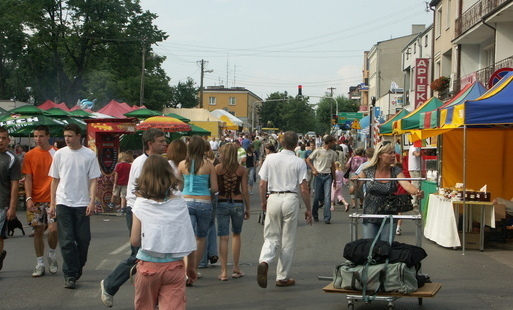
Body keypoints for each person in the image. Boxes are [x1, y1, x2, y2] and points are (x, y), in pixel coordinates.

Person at [101, 128, 167, 307]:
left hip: (150, 212)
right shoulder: (140, 162)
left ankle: (155, 298)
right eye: (160, 141)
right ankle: (109, 285)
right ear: (150, 144)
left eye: (164, 140)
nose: (164, 143)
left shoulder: (158, 161)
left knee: (154, 256)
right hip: (138, 212)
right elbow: (135, 192)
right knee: (138, 254)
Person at [130, 155, 197, 310]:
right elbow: (188, 237)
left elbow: (134, 241)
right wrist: (191, 268)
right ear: (169, 174)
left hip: (148, 266)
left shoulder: (140, 204)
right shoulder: (179, 202)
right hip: (174, 267)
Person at [49, 123, 101, 289]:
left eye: (70, 136)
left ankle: (78, 265)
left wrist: (92, 201)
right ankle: (70, 274)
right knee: (67, 240)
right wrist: (52, 203)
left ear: (79, 136)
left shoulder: (89, 155)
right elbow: (54, 179)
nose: (67, 139)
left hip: (82, 203)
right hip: (63, 201)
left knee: (83, 239)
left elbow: (93, 180)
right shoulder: (60, 154)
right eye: (65, 136)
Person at [257, 131, 312, 288]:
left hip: (273, 197)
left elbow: (262, 183)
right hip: (290, 198)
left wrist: (263, 202)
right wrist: (308, 209)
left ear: (281, 143)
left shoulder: (270, 158)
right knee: (288, 239)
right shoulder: (299, 162)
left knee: (271, 236)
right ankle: (282, 276)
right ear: (296, 145)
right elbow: (304, 188)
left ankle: (265, 261)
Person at [357, 141, 423, 242]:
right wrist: (354, 183)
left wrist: (417, 191)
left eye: (393, 152)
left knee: (385, 247)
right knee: (370, 246)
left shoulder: (395, 170)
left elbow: (406, 184)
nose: (393, 155)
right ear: (380, 155)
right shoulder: (368, 170)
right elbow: (355, 188)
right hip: (370, 213)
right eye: (390, 153)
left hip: (389, 213)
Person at [177, 135, 218, 276]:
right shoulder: (209, 165)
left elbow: (178, 185)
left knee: (187, 236)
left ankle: (186, 270)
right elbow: (214, 188)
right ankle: (194, 269)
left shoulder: (182, 164)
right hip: (204, 202)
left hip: (186, 202)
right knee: (201, 237)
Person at [22, 125, 59, 277]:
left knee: (53, 230)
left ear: (48, 136)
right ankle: (39, 263)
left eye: (41, 136)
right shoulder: (29, 155)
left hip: (53, 199)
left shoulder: (56, 154)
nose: (38, 139)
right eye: (36, 136)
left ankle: (51, 254)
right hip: (36, 200)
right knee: (38, 231)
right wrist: (29, 198)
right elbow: (28, 178)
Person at [215, 143, 250, 281]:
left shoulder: (217, 168)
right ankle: (236, 267)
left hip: (222, 202)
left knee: (223, 237)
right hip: (237, 202)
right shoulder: (241, 170)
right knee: (236, 234)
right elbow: (245, 191)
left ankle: (224, 271)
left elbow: (216, 188)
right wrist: (248, 208)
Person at [0, 127, 21, 272]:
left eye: (3, 138)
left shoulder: (12, 159)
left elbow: (15, 185)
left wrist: (12, 207)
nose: (0, 141)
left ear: (8, 140)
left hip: (2, 204)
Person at [306, 135, 338, 224]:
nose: (334, 144)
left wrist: (334, 179)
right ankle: (315, 214)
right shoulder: (318, 150)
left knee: (327, 197)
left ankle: (327, 217)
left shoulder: (332, 153)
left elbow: (333, 166)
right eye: (333, 142)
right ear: (330, 142)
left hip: (328, 176)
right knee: (316, 197)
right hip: (318, 175)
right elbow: (308, 160)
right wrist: (313, 169)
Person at [408, 142, 422, 207]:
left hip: (417, 168)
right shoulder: (413, 147)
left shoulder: (418, 147)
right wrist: (420, 153)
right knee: (415, 184)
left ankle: (416, 201)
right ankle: (413, 201)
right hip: (414, 169)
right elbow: (416, 154)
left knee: (417, 184)